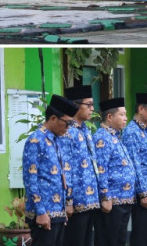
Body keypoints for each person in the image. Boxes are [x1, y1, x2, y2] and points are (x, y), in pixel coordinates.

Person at [23, 94, 78, 246]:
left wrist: (66, 203)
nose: (68, 128)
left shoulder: (56, 140)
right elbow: (30, 179)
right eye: (67, 123)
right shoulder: (36, 140)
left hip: (58, 212)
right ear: (53, 118)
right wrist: (40, 212)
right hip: (44, 213)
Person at [57, 86, 100, 246]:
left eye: (92, 104)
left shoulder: (86, 130)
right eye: (88, 105)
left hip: (90, 200)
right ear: (76, 105)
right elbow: (65, 167)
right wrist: (68, 200)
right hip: (76, 202)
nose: (92, 109)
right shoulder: (67, 131)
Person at [93, 97, 136, 246]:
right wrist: (105, 196)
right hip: (112, 201)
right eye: (122, 114)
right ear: (110, 117)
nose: (126, 118)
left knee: (119, 241)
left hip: (123, 200)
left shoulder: (116, 137)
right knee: (108, 241)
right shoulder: (102, 138)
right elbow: (100, 169)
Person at [122, 93, 147, 246]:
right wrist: (143, 193)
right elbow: (134, 165)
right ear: (141, 109)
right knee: (141, 234)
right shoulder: (132, 132)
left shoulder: (144, 130)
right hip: (143, 193)